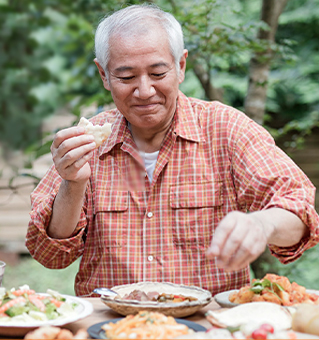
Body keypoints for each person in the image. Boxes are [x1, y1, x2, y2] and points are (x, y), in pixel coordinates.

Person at [26, 4, 319, 297]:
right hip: (108, 326)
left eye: (157, 72)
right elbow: (50, 254)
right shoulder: (84, 143)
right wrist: (73, 184)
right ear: (104, 75)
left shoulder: (226, 129)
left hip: (209, 326)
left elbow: (300, 213)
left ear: (180, 65)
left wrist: (261, 224)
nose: (144, 91)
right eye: (126, 77)